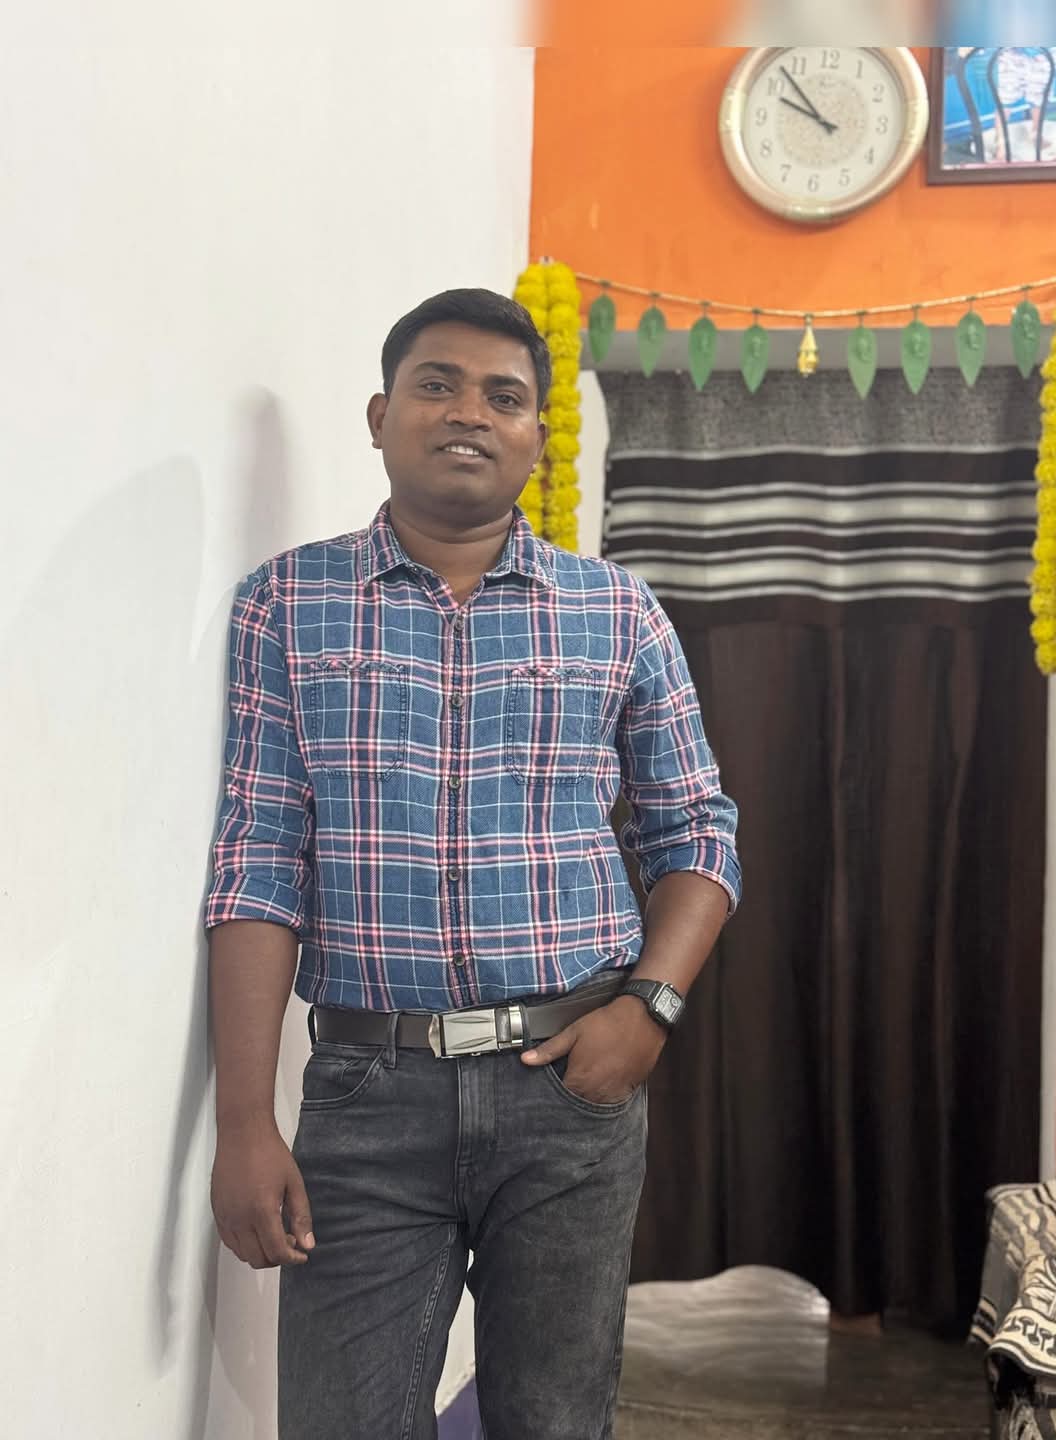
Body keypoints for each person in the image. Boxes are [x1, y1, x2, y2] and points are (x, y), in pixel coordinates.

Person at [205, 287, 741, 1440]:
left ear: (536, 435)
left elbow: (697, 833)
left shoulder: (617, 612)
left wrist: (648, 1008)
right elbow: (257, 862)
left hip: (571, 1090)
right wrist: (244, 1120)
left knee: (554, 1421)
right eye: (436, 385)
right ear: (380, 414)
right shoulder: (285, 606)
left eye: (504, 397)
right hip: (368, 1095)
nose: (469, 413)